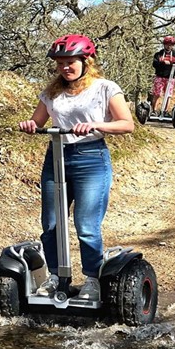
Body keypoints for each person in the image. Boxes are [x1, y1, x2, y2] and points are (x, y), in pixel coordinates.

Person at [18, 34, 134, 301]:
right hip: (56, 156)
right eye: (60, 63)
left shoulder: (105, 87)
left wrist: (96, 125)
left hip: (90, 158)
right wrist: (29, 126)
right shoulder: (51, 92)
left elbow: (126, 124)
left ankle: (93, 279)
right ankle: (58, 277)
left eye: (70, 62)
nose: (64, 68)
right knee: (51, 223)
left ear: (86, 60)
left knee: (86, 225)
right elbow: (37, 121)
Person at [151, 36, 175, 117]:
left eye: (171, 44)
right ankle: (154, 111)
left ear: (173, 45)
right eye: (167, 44)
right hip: (160, 76)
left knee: (168, 95)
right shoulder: (158, 54)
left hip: (170, 78)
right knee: (157, 94)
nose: (169, 46)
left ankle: (165, 111)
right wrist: (163, 63)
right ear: (164, 45)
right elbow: (154, 64)